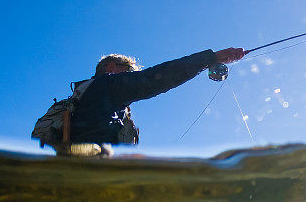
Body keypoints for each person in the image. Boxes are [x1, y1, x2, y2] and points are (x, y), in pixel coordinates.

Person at [58, 47, 245, 156]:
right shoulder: (107, 84)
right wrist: (210, 58)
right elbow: (154, 79)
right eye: (129, 71)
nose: (131, 76)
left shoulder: (85, 94)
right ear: (111, 67)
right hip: (94, 169)